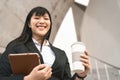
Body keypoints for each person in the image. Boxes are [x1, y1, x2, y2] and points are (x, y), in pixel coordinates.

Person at [0, 6, 90, 80]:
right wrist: (28, 78)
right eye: (37, 18)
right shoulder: (15, 47)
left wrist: (80, 75)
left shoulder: (61, 54)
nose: (42, 21)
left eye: (46, 19)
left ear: (50, 24)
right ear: (29, 24)